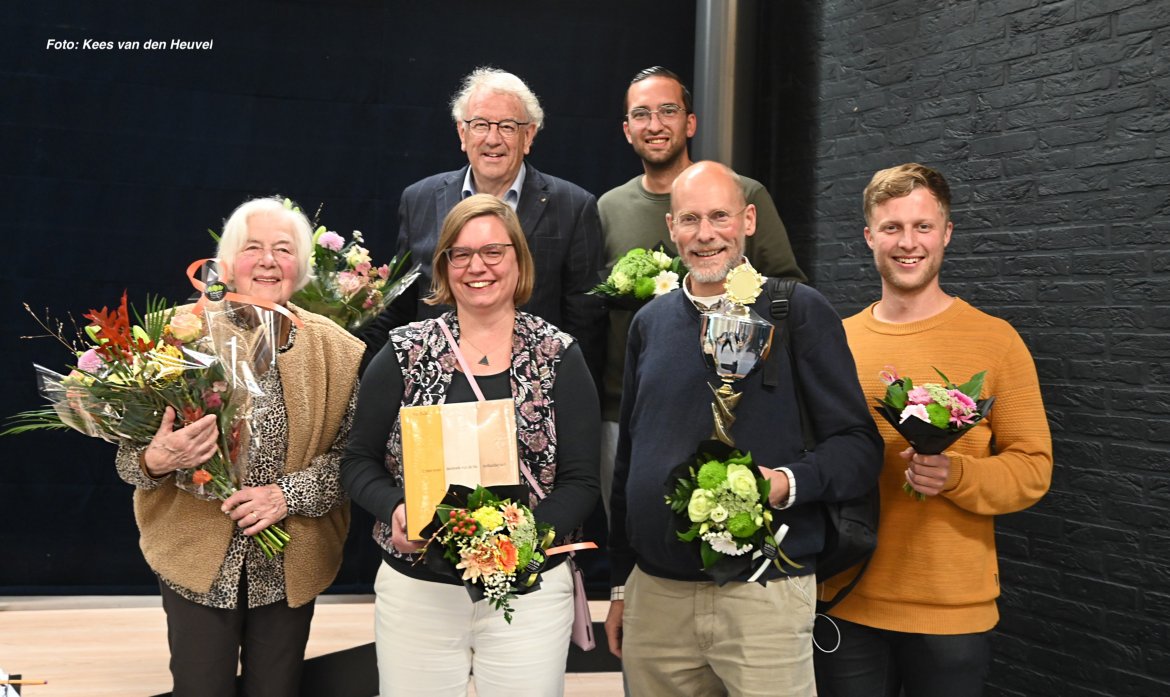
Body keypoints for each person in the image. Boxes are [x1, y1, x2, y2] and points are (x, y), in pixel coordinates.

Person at [604, 161, 882, 696]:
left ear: (748, 220)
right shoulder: (649, 324)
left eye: (720, 216)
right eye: (690, 219)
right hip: (657, 599)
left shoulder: (796, 311)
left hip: (764, 597)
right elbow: (629, 461)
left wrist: (783, 483)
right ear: (671, 228)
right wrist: (621, 584)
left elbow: (859, 447)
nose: (705, 234)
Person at [341, 194, 600, 696]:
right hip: (418, 590)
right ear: (443, 266)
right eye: (460, 254)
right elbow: (357, 462)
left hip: (528, 592)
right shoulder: (404, 352)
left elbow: (581, 482)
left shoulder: (558, 356)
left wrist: (517, 541)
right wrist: (395, 508)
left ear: (519, 261)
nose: (477, 267)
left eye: (493, 252)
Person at [814, 163, 1054, 697]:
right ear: (869, 236)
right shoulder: (836, 341)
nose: (908, 242)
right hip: (847, 596)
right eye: (892, 227)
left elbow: (1033, 469)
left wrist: (956, 475)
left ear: (946, 233)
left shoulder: (996, 341)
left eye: (923, 226)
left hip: (952, 608)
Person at [114, 196, 364, 696]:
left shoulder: (338, 350)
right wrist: (157, 459)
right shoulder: (175, 334)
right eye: (253, 248)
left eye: (283, 249)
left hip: (291, 559)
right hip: (194, 557)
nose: (268, 260)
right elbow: (128, 460)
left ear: (301, 266)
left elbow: (352, 459)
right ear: (227, 263)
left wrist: (286, 496)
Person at [596, 66, 805, 517]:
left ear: (690, 123)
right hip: (631, 408)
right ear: (627, 129)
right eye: (642, 114)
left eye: (668, 111)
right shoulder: (608, 208)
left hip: (736, 400)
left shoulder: (743, 193)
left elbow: (787, 290)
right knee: (641, 523)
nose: (655, 124)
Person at [360, 67, 607, 391]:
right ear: (462, 133)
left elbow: (586, 325)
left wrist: (571, 399)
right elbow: (399, 308)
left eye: (507, 126)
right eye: (480, 125)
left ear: (529, 136)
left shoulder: (573, 206)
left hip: (531, 391)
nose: (493, 139)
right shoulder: (419, 199)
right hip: (434, 388)